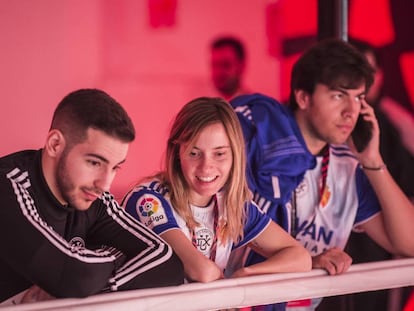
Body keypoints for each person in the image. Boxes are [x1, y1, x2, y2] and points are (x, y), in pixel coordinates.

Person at [230, 39, 414, 311]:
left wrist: (373, 161)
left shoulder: (347, 168)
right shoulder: (258, 138)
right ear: (303, 97)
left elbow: (409, 243)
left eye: (359, 97)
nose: (351, 111)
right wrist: (306, 261)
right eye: (339, 95)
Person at [0, 88, 184, 305]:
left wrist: (90, 287)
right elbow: (73, 276)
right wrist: (115, 258)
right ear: (55, 145)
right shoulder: (8, 185)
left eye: (115, 168)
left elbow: (165, 261)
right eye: (94, 163)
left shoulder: (94, 197)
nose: (105, 185)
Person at [122, 97, 311, 284]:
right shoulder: (147, 200)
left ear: (235, 155)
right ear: (177, 152)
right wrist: (229, 287)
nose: (206, 167)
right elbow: (200, 271)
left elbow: (300, 258)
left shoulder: (232, 204)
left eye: (219, 154)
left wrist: (246, 274)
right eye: (194, 153)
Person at [317, 38, 414, 311]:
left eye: (367, 74)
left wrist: (372, 162)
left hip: (375, 248)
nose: (362, 83)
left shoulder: (394, 125)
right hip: (318, 261)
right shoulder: (300, 134)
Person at [210, 36, 250, 101]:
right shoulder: (199, 105)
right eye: (214, 65)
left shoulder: (254, 107)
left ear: (241, 67)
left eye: (225, 65)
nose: (218, 72)